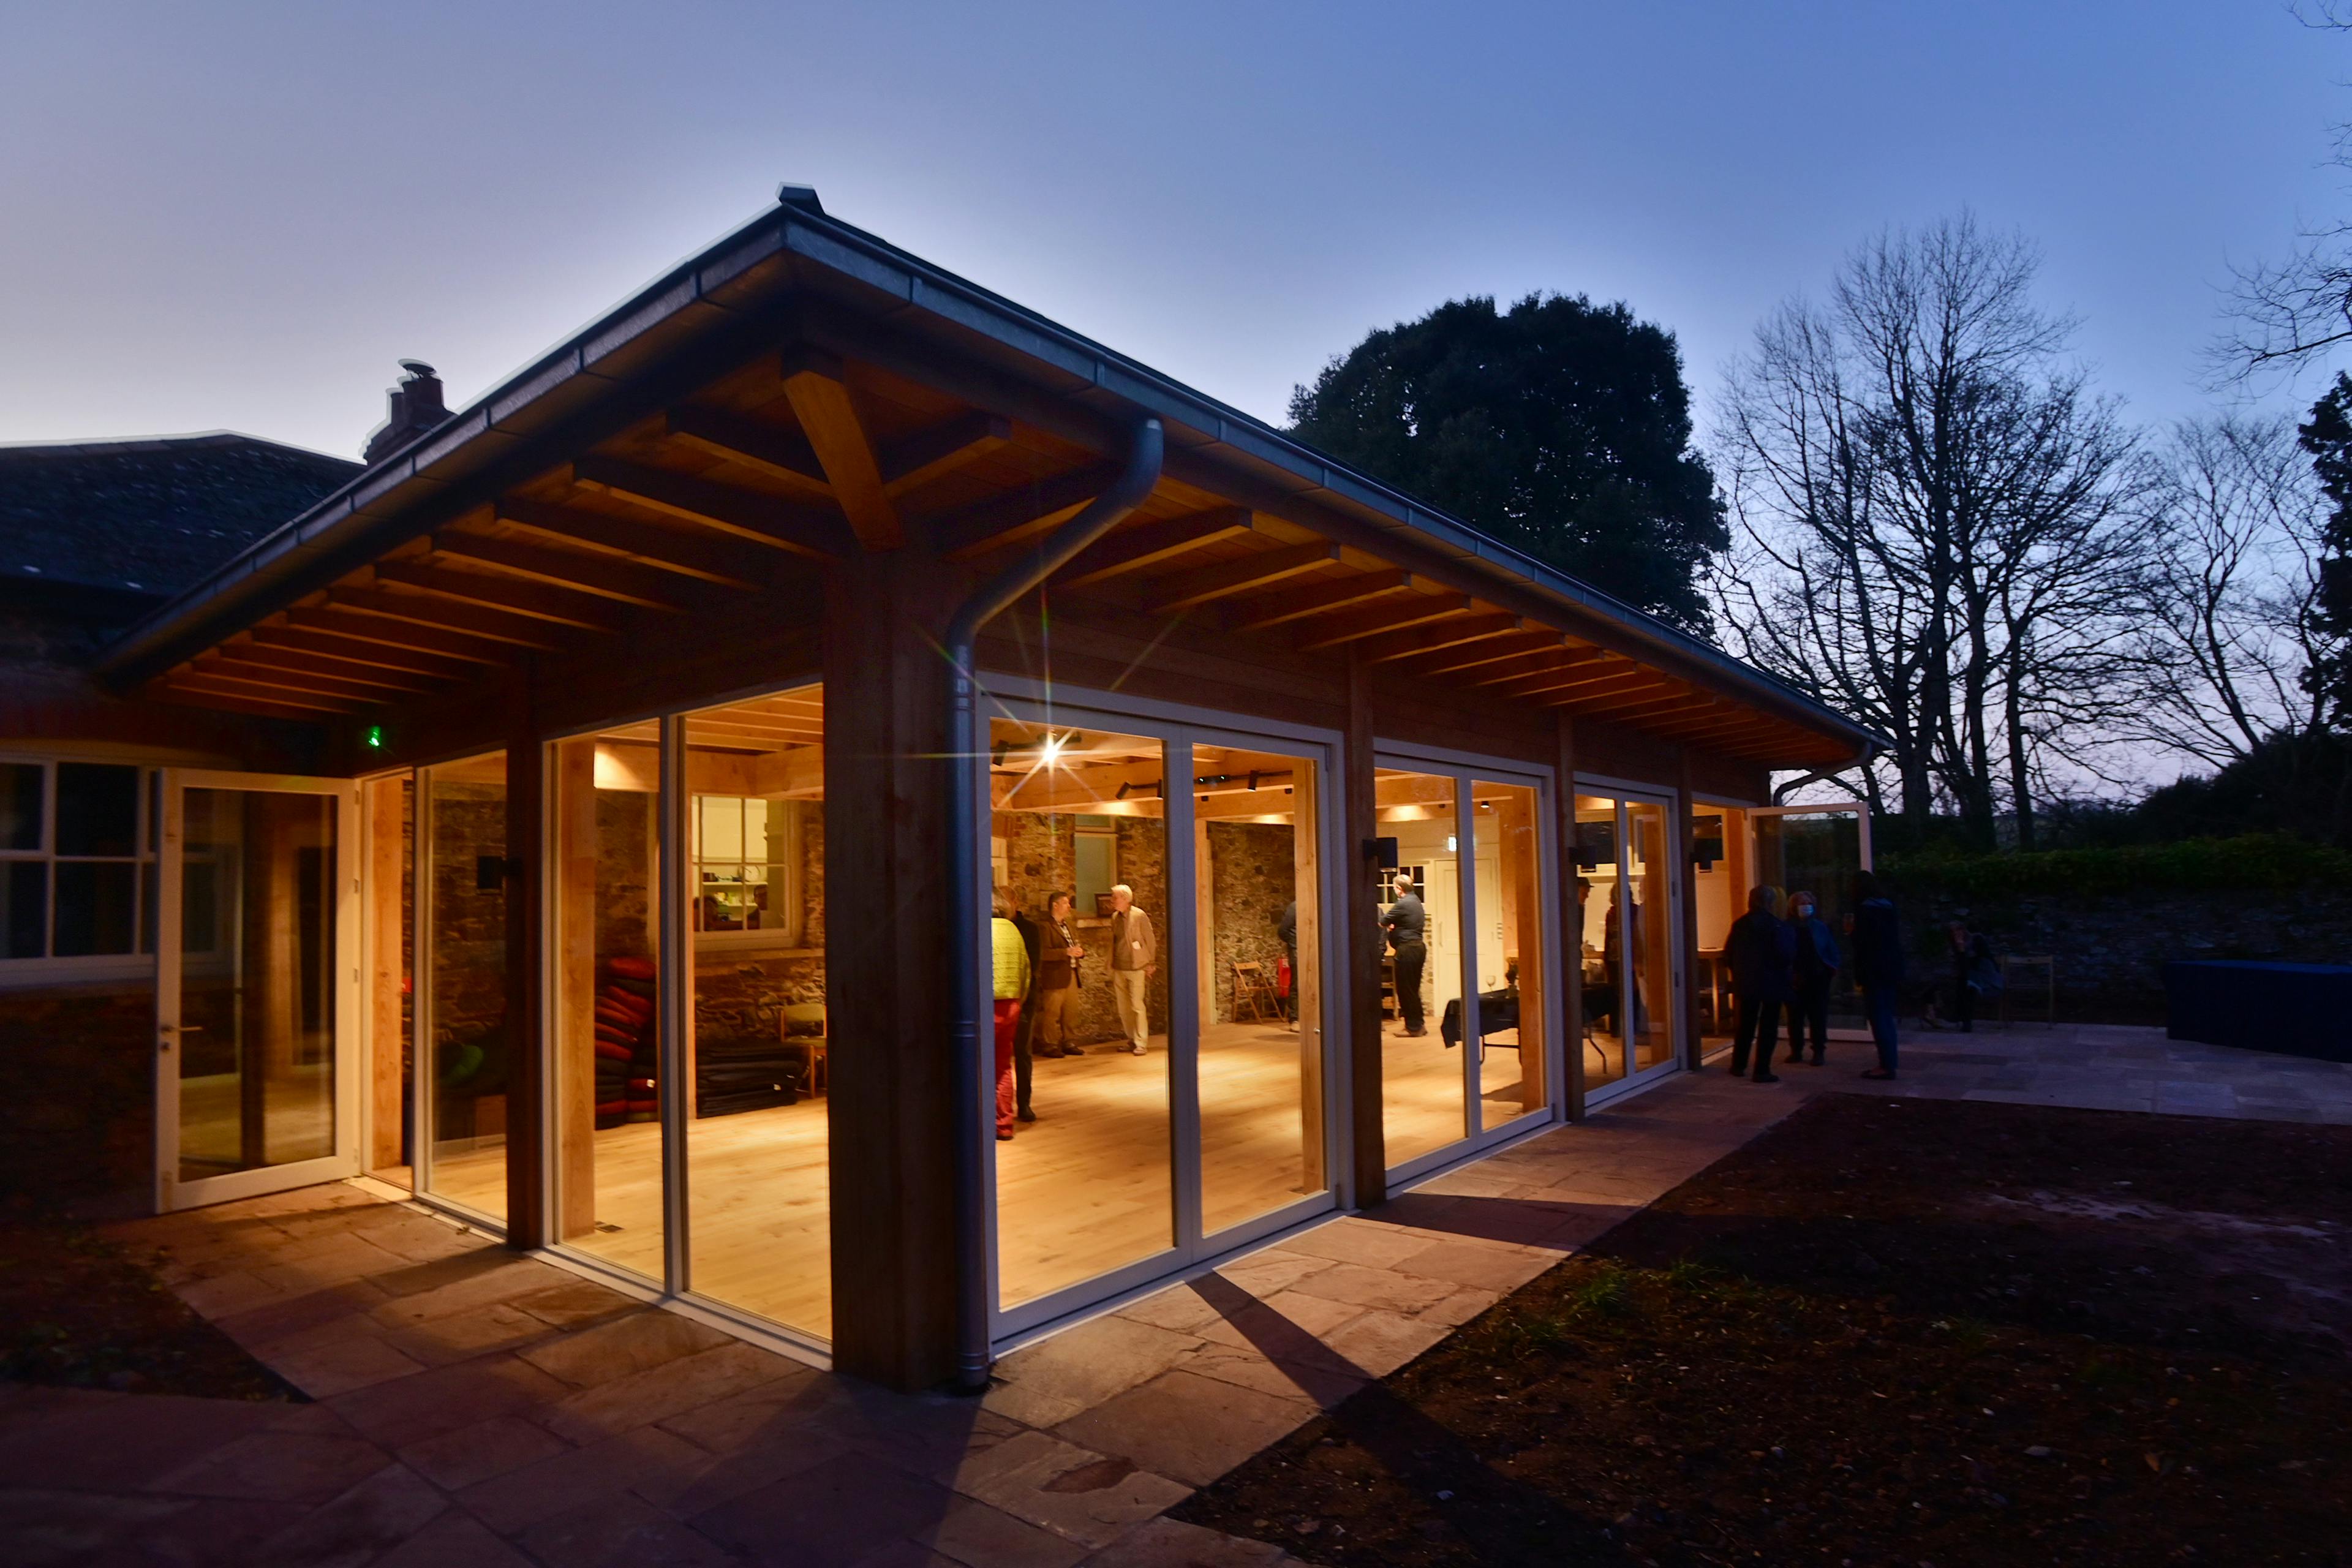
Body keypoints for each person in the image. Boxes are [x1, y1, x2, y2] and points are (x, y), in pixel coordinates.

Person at [1725, 883, 1793, 1083]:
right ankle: (1762, 1069)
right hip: (1772, 982)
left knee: (1745, 1025)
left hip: (1747, 982)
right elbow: (1784, 954)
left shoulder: (1740, 925)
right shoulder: (1776, 926)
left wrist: (1738, 972)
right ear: (1771, 902)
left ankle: (1739, 1065)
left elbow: (1729, 953)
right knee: (1768, 1026)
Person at [1849, 869, 1904, 1079]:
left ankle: (1886, 1065)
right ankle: (1890, 1060)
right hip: (1891, 968)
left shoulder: (1864, 912)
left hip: (1874, 970)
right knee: (1886, 1016)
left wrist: (1852, 933)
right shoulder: (1888, 907)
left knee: (1878, 1016)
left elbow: (1864, 945)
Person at [989, 888, 1031, 1140]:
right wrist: (1019, 1000)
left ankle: (976, 1122)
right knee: (1003, 1065)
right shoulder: (1013, 930)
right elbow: (1026, 971)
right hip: (1013, 1003)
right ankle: (1004, 1124)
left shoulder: (982, 930)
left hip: (988, 1005)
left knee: (976, 1064)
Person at [1782, 889, 1841, 1067]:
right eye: (1801, 904)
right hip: (1794, 978)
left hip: (1817, 978)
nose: (1805, 907)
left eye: (1808, 903)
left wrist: (1830, 968)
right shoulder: (1786, 928)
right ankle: (1796, 1050)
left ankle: (1819, 1051)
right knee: (1795, 1017)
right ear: (1793, 907)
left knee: (1818, 1016)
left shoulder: (1820, 927)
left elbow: (1831, 950)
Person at [1031, 891, 1084, 1061]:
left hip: (1071, 973)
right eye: (1066, 903)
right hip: (1054, 976)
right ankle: (1050, 1044)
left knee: (1071, 1012)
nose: (1069, 907)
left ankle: (1069, 1041)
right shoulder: (1045, 927)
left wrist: (1079, 953)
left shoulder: (1067, 925)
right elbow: (1044, 953)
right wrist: (1066, 952)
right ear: (1055, 905)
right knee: (1051, 1013)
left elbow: (1072, 946)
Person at [1928, 920, 2002, 1033]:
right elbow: (1961, 965)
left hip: (1985, 975)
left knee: (1967, 987)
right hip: (1967, 975)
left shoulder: (1976, 939)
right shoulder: (1955, 945)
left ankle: (1963, 1020)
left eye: (1959, 930)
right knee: (1948, 984)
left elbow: (1977, 962)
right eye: (1953, 932)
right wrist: (1960, 951)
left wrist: (1962, 950)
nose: (1957, 934)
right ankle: (1944, 1014)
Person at [1108, 883, 1156, 1056]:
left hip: (1137, 967)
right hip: (1119, 967)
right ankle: (1131, 1039)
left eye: (1115, 897)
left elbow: (1149, 939)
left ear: (1126, 899)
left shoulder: (1139, 916)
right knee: (1123, 1008)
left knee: (1137, 1005)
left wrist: (1151, 962)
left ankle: (1141, 1042)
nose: (1112, 900)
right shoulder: (1115, 917)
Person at [1009, 898, 1044, 1123]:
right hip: (1004, 999)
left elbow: (1033, 965)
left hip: (1023, 999)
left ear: (1014, 902)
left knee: (1022, 1053)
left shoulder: (1030, 929)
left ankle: (1024, 1104)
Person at [1382, 878, 1428, 1037]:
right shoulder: (1416, 900)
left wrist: (1391, 926)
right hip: (1418, 948)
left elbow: (1382, 921)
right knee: (1413, 988)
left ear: (1399, 888)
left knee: (1405, 989)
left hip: (1407, 949)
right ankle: (1419, 1024)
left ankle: (1413, 1027)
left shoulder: (1403, 904)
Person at [1276, 899, 1298, 1023]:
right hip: (1297, 951)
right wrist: (1295, 943)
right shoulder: (1295, 907)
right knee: (1297, 984)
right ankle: (1295, 1019)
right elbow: (1282, 931)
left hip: (1313, 950)